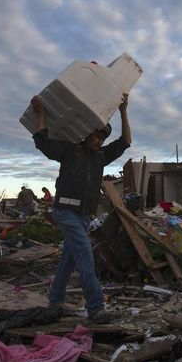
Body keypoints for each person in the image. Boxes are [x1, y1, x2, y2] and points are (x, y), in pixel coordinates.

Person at [30, 93, 131, 324]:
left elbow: (125, 142)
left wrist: (124, 110)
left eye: (102, 139)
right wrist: (41, 113)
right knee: (85, 252)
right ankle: (95, 308)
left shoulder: (101, 157)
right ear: (86, 134)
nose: (98, 142)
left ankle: (55, 301)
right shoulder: (69, 150)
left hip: (84, 215)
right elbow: (42, 141)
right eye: (95, 137)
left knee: (70, 259)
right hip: (65, 211)